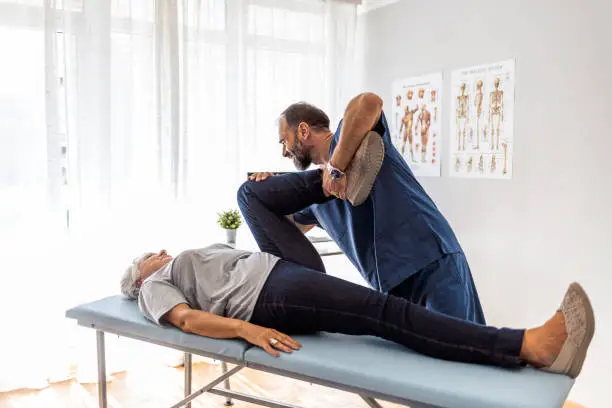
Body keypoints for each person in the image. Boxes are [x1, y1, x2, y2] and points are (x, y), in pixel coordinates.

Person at [119, 244, 595, 379]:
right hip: (267, 295)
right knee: (387, 312)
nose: (159, 250)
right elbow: (185, 319)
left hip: (277, 276)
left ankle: (519, 345)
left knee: (385, 312)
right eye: (149, 254)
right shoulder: (151, 288)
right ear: (140, 277)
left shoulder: (167, 268)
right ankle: (525, 346)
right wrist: (250, 329)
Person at [239, 92, 486, 324]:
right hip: (390, 285)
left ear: (303, 130)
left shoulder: (356, 141)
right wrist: (268, 191)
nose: (284, 151)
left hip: (430, 262)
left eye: (285, 140)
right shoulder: (315, 193)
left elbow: (369, 102)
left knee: (461, 356)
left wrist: (335, 168)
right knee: (421, 366)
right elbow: (287, 230)